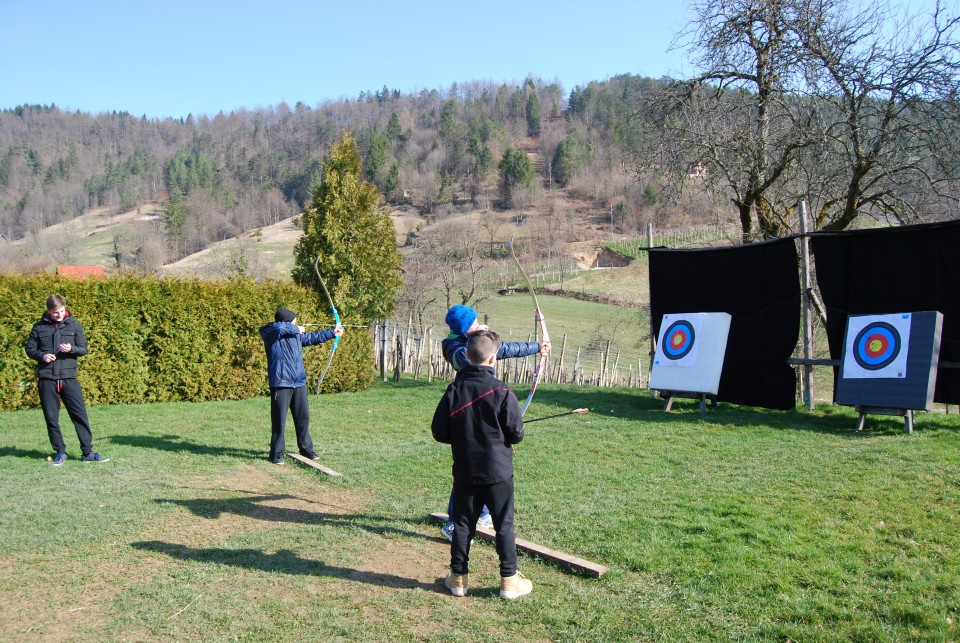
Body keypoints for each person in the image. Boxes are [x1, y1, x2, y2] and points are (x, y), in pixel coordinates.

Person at [432, 329, 533, 599]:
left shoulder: (454, 390)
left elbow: (439, 431)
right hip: (498, 473)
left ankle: (458, 579)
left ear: (466, 356)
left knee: (463, 524)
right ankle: (509, 580)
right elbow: (516, 434)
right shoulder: (502, 391)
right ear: (493, 359)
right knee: (504, 525)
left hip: (466, 470)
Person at [438, 304, 549, 541]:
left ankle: (484, 514)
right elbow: (469, 357)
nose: (478, 326)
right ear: (465, 328)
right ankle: (453, 523)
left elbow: (502, 349)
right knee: (467, 471)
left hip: (486, 405)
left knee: (488, 463)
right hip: (469, 408)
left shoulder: (468, 338)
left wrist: (537, 347)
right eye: (474, 323)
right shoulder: (453, 347)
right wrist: (479, 336)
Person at [24, 294, 108, 465]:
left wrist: (71, 349)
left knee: (80, 415)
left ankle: (87, 452)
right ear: (49, 311)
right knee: (51, 418)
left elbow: (83, 349)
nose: (60, 315)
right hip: (47, 379)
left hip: (69, 378)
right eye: (56, 312)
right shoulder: (39, 327)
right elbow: (29, 349)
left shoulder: (74, 325)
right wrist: (42, 356)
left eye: (62, 311)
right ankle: (60, 451)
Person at [259, 306, 342, 465]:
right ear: (288, 321)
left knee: (303, 417)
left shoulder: (294, 335)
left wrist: (332, 332)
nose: (297, 323)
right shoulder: (271, 333)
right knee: (279, 420)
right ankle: (276, 453)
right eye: (294, 321)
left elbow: (311, 337)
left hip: (298, 381)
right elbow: (279, 327)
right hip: (281, 382)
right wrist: (295, 327)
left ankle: (306, 449)